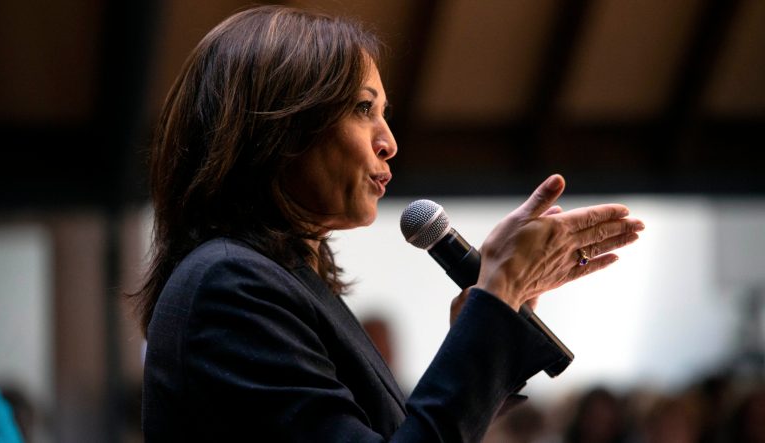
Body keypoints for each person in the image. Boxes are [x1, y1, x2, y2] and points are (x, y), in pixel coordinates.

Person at [131, 5, 644, 441]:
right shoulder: (231, 286)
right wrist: (499, 289)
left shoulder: (275, 279)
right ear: (279, 127)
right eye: (362, 108)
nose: (389, 142)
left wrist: (486, 325)